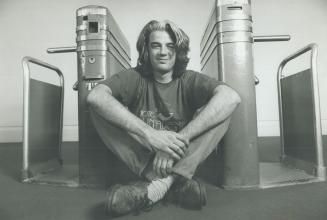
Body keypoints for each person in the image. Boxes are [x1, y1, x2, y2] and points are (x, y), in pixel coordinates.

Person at [86, 20, 241, 217]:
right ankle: (177, 184)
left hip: (180, 154)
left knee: (221, 112)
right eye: (155, 45)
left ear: (179, 51)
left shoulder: (188, 79)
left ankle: (155, 188)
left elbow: (231, 97)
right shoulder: (135, 77)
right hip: (144, 154)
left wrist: (178, 141)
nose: (163, 52)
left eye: (170, 46)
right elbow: (96, 96)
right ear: (146, 51)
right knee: (98, 109)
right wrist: (151, 135)